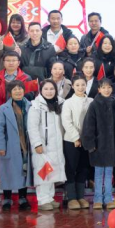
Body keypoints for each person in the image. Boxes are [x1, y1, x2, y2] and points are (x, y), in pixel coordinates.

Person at [0, 80, 33, 211]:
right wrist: (0, 146)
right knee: (7, 172)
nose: (18, 91)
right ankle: (7, 198)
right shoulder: (3, 108)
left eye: (20, 89)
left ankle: (23, 198)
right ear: (10, 92)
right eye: (14, 89)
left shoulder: (30, 106)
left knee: (23, 172)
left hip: (26, 145)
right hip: (10, 145)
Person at [28, 80, 67, 211]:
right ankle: (42, 199)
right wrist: (37, 143)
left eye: (52, 89)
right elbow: (32, 127)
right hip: (42, 146)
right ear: (41, 90)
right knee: (43, 172)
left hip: (56, 145)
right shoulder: (36, 106)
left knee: (52, 172)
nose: (49, 92)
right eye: (46, 89)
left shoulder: (58, 104)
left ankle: (50, 197)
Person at [81, 79, 115, 210]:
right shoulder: (94, 104)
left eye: (109, 87)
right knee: (98, 174)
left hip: (112, 146)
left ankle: (108, 198)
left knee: (109, 173)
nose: (106, 90)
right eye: (103, 87)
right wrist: (90, 144)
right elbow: (88, 126)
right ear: (99, 89)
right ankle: (97, 198)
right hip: (98, 145)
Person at [61, 77, 92, 210]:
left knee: (83, 168)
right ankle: (71, 197)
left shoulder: (91, 101)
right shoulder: (68, 102)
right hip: (71, 140)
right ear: (73, 86)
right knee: (71, 168)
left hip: (87, 140)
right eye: (77, 85)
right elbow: (66, 121)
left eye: (83, 84)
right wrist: (75, 138)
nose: (80, 87)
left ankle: (80, 196)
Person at [0, 51, 33, 129]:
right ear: (3, 62)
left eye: (14, 60)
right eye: (8, 60)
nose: (11, 63)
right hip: (0, 116)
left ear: (18, 63)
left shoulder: (26, 78)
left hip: (20, 118)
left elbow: (30, 100)